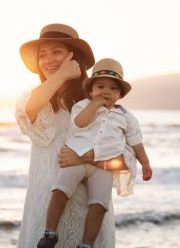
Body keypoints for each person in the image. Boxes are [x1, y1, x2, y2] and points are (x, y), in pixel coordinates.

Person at [15, 23, 145, 248]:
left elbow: (125, 158)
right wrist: (63, 73)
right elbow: (29, 110)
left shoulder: (96, 104)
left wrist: (84, 158)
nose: (48, 60)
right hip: (43, 211)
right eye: (42, 55)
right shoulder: (35, 99)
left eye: (57, 52)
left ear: (75, 58)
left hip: (86, 213)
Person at [37, 58, 153, 248]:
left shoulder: (126, 117)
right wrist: (94, 105)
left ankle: (86, 243)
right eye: (100, 87)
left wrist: (145, 163)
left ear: (119, 95)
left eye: (113, 88)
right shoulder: (82, 106)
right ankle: (50, 233)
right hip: (76, 158)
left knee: (99, 205)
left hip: (104, 167)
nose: (106, 91)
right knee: (60, 191)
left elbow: (136, 141)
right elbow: (80, 123)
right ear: (90, 91)